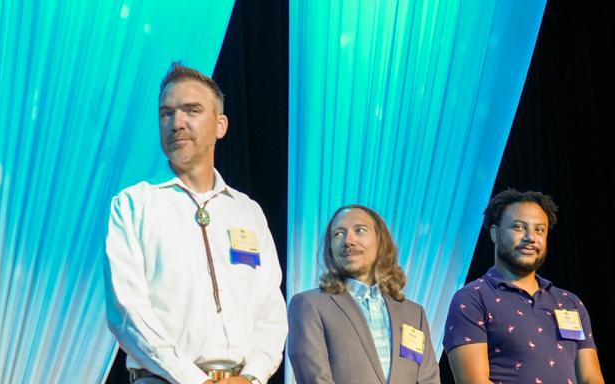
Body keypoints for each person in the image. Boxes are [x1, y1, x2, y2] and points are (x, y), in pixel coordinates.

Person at [104, 62, 287, 384]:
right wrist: (194, 379)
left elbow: (270, 308)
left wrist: (252, 377)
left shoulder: (247, 211)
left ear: (220, 125)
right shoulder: (134, 204)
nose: (176, 123)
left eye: (191, 110)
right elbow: (127, 310)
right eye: (166, 113)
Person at [443, 189, 604, 384]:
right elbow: (474, 381)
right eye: (519, 227)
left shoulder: (570, 303)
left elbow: (591, 378)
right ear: (495, 233)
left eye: (540, 229)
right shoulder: (472, 298)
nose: (531, 237)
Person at [287, 205, 441, 384]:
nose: (348, 241)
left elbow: (429, 380)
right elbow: (315, 379)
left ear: (380, 240)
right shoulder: (309, 305)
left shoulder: (415, 314)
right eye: (338, 234)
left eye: (359, 230)